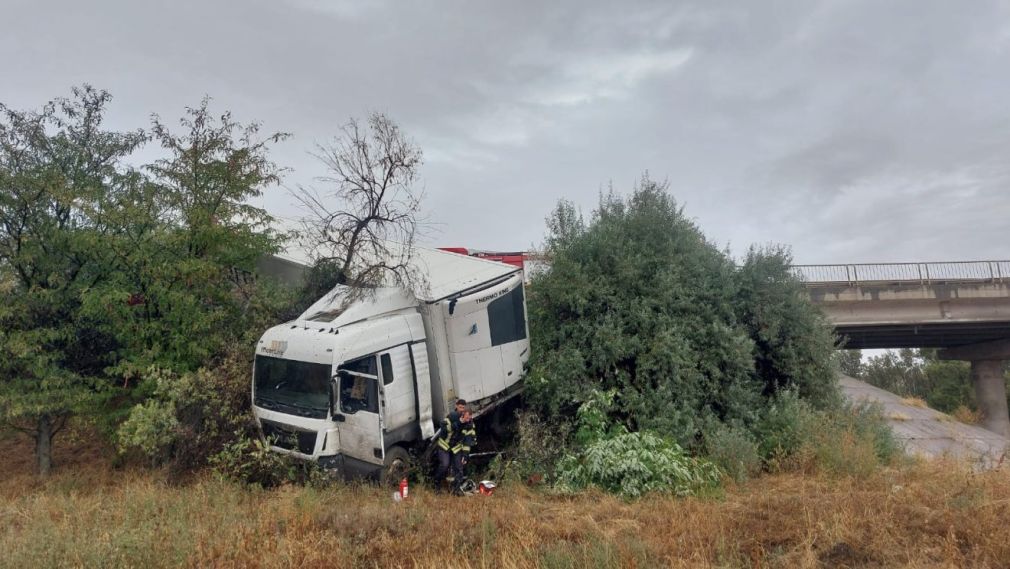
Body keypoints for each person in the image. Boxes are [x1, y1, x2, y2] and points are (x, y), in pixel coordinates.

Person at [433, 399, 468, 491]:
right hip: (444, 446)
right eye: (460, 407)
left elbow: (468, 438)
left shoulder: (467, 419)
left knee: (459, 466)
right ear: (456, 406)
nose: (461, 410)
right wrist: (458, 423)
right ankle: (436, 483)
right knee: (445, 464)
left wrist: (465, 454)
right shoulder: (451, 416)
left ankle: (456, 489)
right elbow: (444, 429)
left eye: (463, 408)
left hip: (456, 447)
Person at [450, 409, 477, 494]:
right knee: (457, 468)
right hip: (454, 447)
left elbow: (467, 443)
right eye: (466, 418)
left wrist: (465, 456)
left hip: (460, 448)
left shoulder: (470, 425)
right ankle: (455, 489)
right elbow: (452, 429)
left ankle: (457, 489)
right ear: (462, 416)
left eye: (469, 418)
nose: (468, 420)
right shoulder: (457, 422)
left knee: (460, 467)